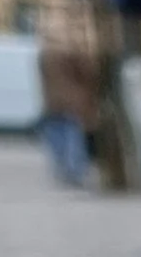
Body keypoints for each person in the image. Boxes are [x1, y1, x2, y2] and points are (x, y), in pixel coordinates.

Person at [37, 13, 99, 190]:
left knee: (57, 137)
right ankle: (75, 171)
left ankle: (61, 169)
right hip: (73, 102)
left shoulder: (44, 54)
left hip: (51, 103)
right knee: (73, 137)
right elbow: (88, 74)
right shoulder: (71, 53)